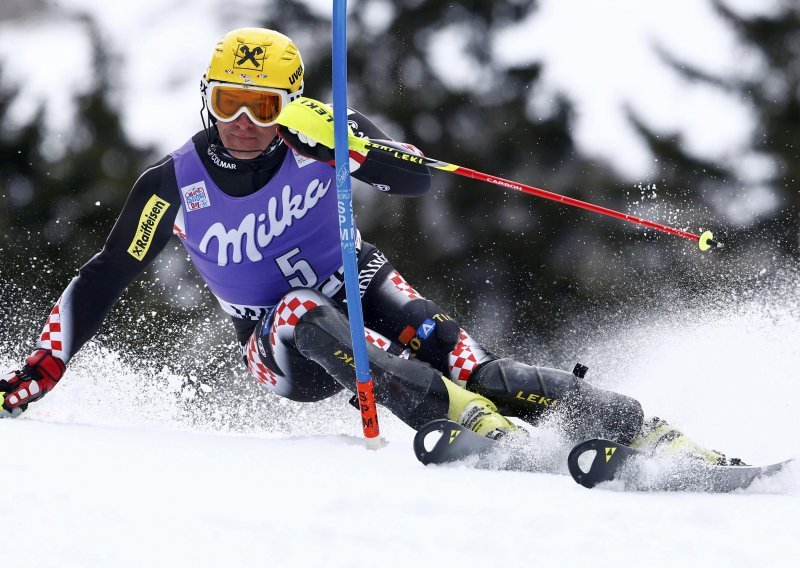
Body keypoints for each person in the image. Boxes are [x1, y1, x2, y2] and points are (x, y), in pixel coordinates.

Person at [0, 27, 735, 464]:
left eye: (264, 105)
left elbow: (410, 181)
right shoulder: (173, 183)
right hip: (281, 346)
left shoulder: (318, 141)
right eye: (229, 102)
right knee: (292, 309)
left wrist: (349, 139)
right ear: (207, 99)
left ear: (289, 103)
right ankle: (457, 419)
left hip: (360, 282)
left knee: (481, 369)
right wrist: (34, 375)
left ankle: (643, 431)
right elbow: (102, 277)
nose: (246, 122)